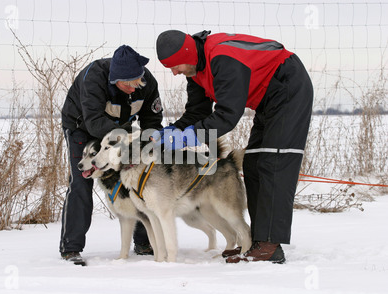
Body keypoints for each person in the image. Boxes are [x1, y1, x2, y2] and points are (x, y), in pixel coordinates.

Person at [155, 30, 313, 263]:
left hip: (288, 85)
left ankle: (270, 245)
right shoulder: (196, 70)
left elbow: (228, 114)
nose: (174, 72)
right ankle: (257, 241)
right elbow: (198, 111)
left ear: (187, 53)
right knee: (253, 162)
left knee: (273, 162)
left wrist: (192, 136)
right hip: (266, 99)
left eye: (175, 65)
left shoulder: (222, 57)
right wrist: (175, 131)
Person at [60, 45, 163, 265]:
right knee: (82, 181)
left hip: (121, 131)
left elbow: (152, 122)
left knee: (137, 179)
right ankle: (71, 248)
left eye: (136, 83)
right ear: (113, 79)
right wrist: (128, 137)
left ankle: (144, 242)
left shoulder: (148, 84)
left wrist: (144, 146)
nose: (132, 88)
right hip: (83, 127)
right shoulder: (94, 78)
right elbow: (94, 121)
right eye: (127, 84)